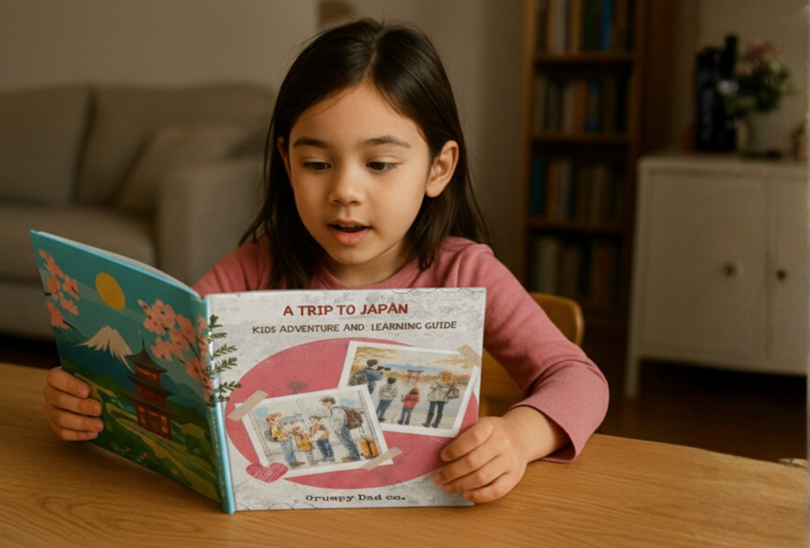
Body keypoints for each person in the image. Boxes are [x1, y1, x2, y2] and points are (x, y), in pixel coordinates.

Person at [42, 18, 609, 503]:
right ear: (287, 160)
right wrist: (87, 399)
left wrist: (518, 437)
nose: (344, 191)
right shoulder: (251, 270)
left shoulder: (466, 274)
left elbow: (579, 380)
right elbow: (171, 363)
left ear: (438, 168)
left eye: (380, 164)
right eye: (317, 164)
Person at [319, 396, 362, 462]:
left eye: (324, 403)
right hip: (341, 428)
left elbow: (339, 420)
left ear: (329, 402)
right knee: (348, 442)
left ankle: (355, 456)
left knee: (347, 442)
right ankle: (353, 455)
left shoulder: (336, 410)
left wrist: (337, 429)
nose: (323, 405)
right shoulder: (334, 409)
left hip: (341, 428)